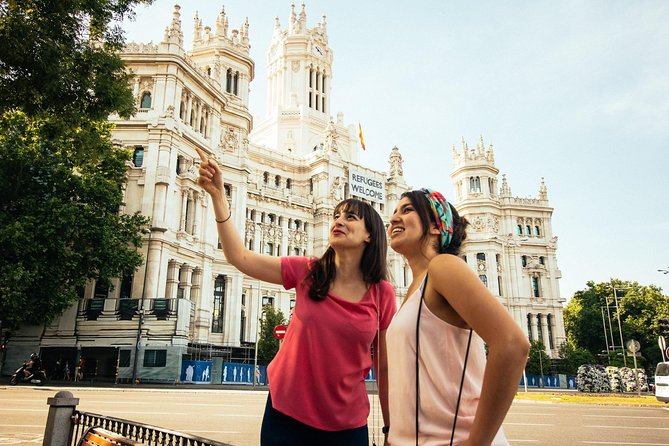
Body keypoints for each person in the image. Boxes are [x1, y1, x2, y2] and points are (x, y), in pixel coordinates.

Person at [196, 147, 396, 446]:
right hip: (286, 414)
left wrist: (391, 426)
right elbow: (239, 257)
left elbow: (384, 366)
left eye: (350, 217)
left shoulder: (383, 294)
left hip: (346, 424)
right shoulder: (307, 272)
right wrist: (218, 196)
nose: (338, 220)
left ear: (370, 234)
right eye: (336, 215)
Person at [385, 189, 530, 446]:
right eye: (395, 211)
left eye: (406, 210)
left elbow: (512, 344)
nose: (394, 218)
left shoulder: (444, 267)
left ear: (435, 227)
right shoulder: (413, 290)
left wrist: (477, 443)